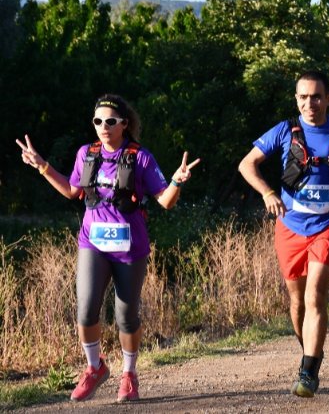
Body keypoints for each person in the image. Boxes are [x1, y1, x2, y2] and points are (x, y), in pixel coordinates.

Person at [15, 94, 199, 403]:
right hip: (93, 242)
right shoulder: (87, 153)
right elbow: (73, 191)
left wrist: (177, 182)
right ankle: (95, 367)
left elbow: (165, 201)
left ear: (124, 124)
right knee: (86, 311)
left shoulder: (140, 157)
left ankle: (129, 375)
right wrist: (42, 166)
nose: (103, 126)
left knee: (126, 316)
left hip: (129, 246)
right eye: (97, 121)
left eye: (110, 121)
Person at [238, 70, 329, 398]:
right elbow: (246, 164)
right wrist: (268, 193)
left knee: (315, 295)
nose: (310, 103)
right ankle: (311, 352)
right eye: (303, 97)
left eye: (316, 96)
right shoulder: (284, 131)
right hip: (290, 227)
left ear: (328, 98)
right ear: (296, 99)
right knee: (297, 300)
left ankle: (309, 371)